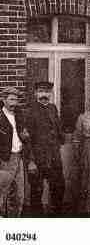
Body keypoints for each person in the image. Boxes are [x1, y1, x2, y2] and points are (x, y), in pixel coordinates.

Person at [25, 81, 65, 216]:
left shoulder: (53, 108)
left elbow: (58, 129)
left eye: (47, 92)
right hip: (37, 157)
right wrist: (30, 161)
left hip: (54, 156)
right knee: (37, 190)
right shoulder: (29, 110)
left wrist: (60, 140)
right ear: (35, 93)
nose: (44, 95)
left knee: (58, 186)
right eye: (41, 91)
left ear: (51, 94)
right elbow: (27, 138)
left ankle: (56, 216)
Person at [0, 87, 34, 217]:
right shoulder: (0, 117)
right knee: (3, 193)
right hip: (4, 160)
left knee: (19, 194)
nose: (14, 103)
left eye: (16, 99)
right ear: (3, 100)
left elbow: (25, 137)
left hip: (19, 157)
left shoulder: (19, 115)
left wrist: (25, 137)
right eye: (11, 99)